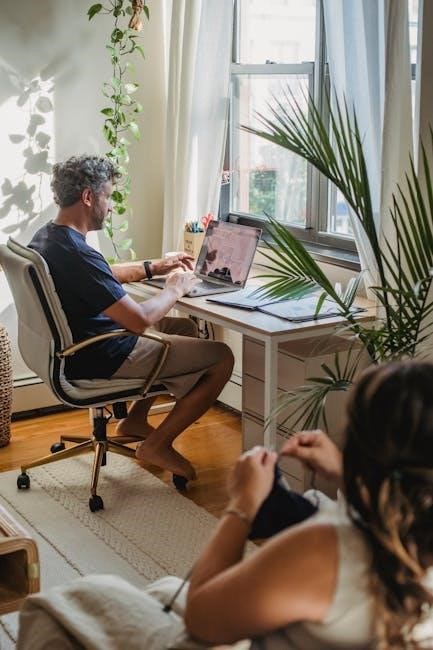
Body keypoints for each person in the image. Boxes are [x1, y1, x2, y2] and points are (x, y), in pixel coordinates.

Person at [17, 361, 433, 649]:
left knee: (59, 605)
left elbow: (201, 620)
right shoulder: (410, 534)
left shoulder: (324, 551)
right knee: (163, 588)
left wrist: (243, 505)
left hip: (210, 629)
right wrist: (344, 472)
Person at [28, 155, 234, 482]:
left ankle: (134, 420)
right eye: (108, 196)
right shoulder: (78, 253)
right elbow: (138, 321)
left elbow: (100, 275)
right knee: (221, 358)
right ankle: (157, 444)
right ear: (88, 197)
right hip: (102, 353)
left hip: (77, 346)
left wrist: (153, 268)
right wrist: (175, 288)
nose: (110, 207)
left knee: (181, 327)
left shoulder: (50, 237)